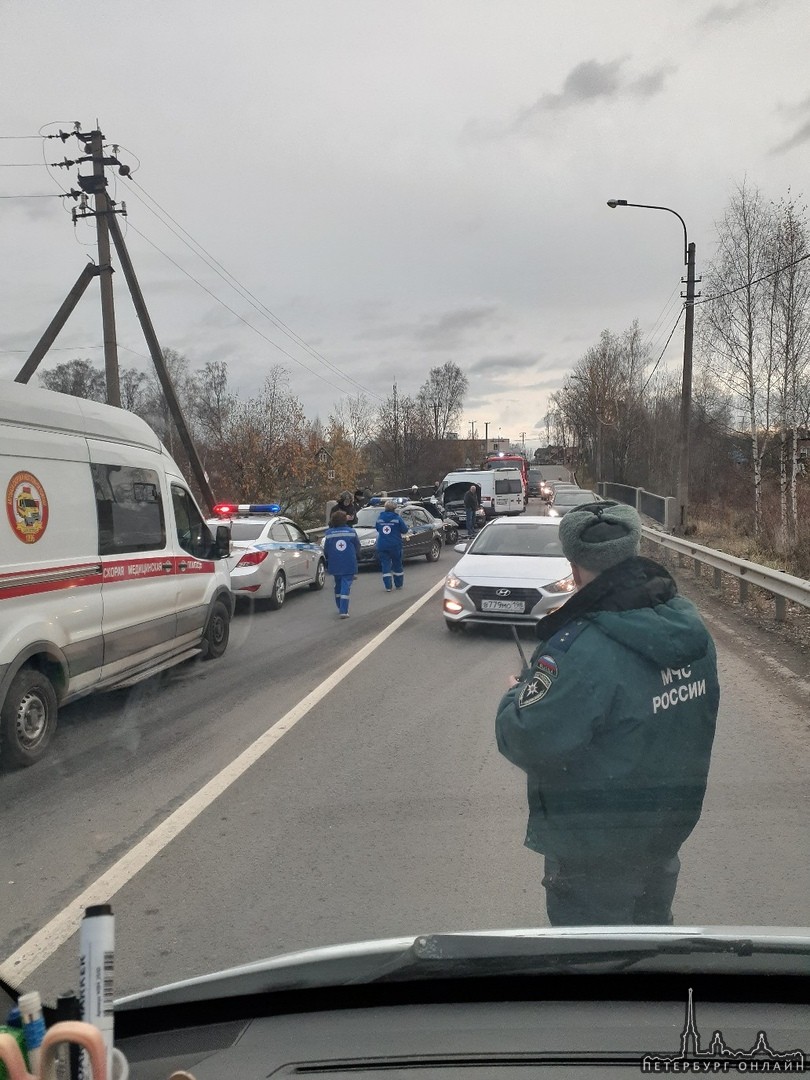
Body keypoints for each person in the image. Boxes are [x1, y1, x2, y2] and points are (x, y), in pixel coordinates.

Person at [495, 501, 719, 927]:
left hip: (593, 852)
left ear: (575, 568)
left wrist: (517, 695)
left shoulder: (580, 650)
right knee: (653, 948)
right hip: (664, 834)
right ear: (633, 550)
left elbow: (527, 736)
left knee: (593, 968)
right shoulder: (690, 629)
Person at [322, 509, 361, 618]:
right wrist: (358, 556)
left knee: (338, 584)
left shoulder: (329, 534)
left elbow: (326, 550)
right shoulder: (351, 532)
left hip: (335, 563)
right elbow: (357, 546)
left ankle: (339, 605)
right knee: (346, 585)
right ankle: (343, 610)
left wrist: (328, 560)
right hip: (349, 562)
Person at [375, 499, 410, 591]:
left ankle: (388, 587)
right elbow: (405, 530)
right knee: (397, 564)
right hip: (395, 545)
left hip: (382, 544)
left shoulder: (380, 518)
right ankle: (398, 584)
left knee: (385, 565)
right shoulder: (397, 518)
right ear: (394, 509)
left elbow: (377, 529)